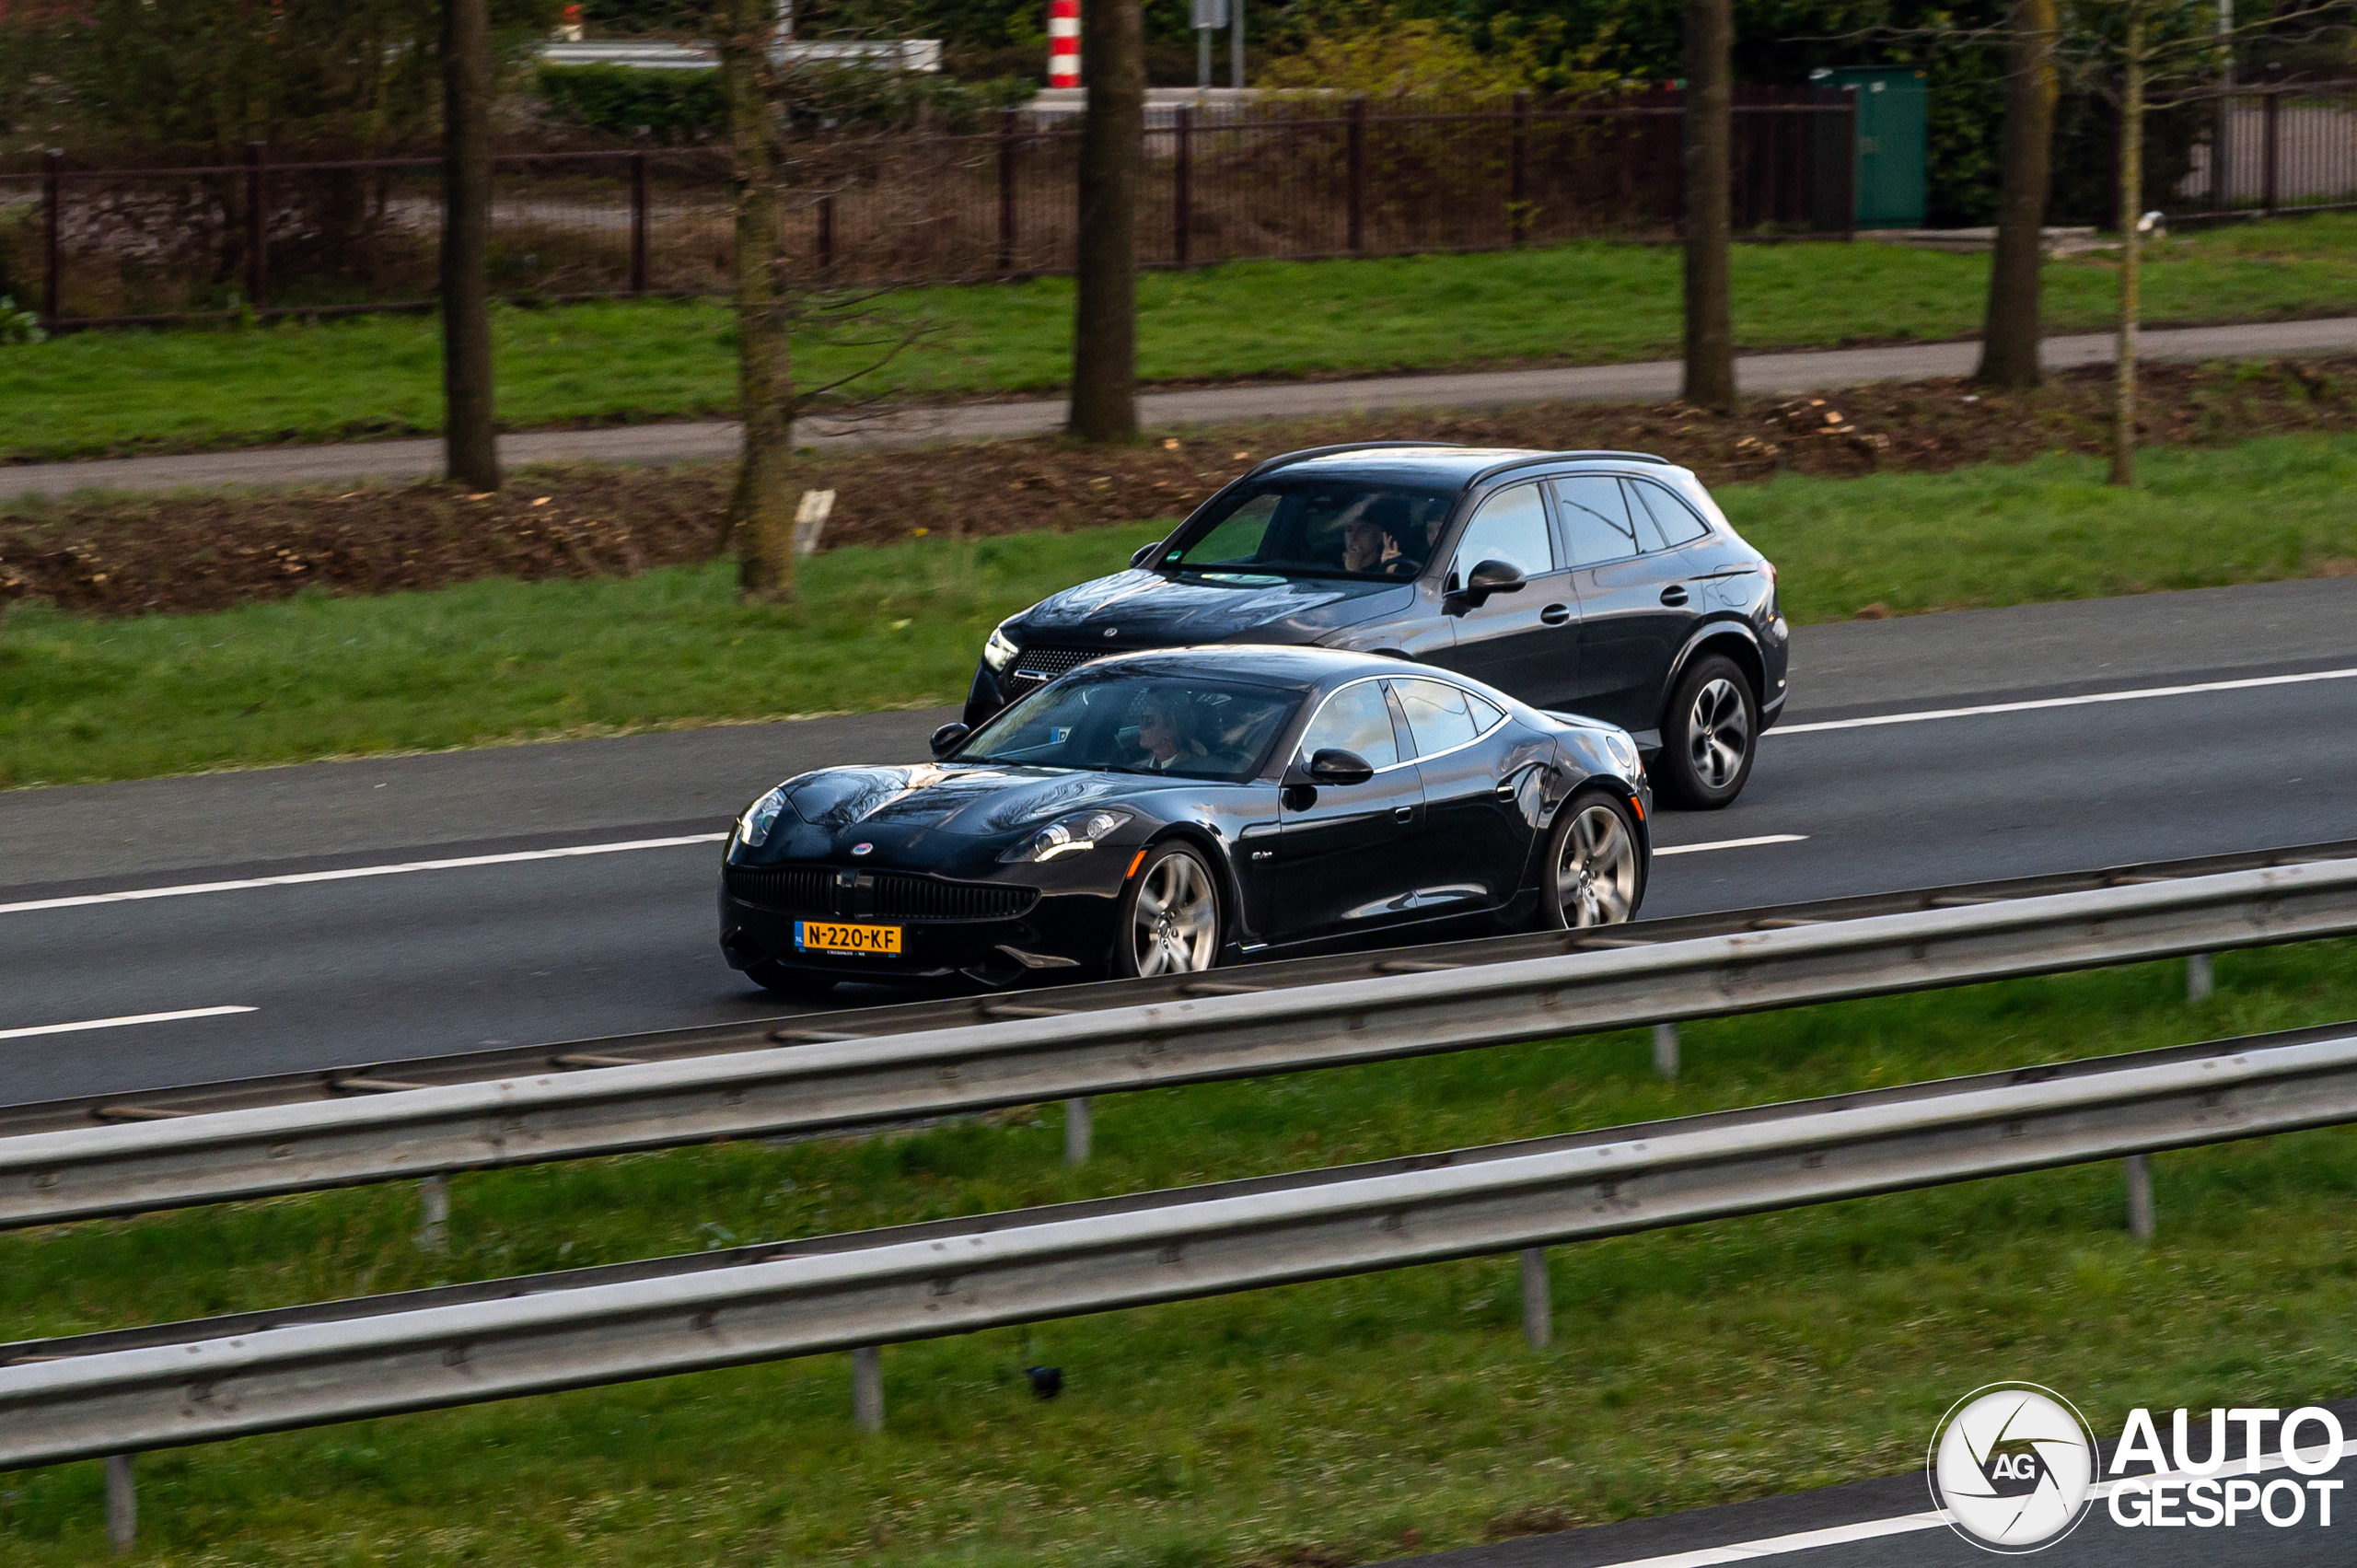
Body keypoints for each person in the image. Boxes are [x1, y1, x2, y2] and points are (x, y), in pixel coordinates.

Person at [1134, 691, 1209, 772]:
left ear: (1170, 730)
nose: (1140, 726)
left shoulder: (1194, 769)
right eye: (1141, 720)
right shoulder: (1138, 768)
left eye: (1148, 721)